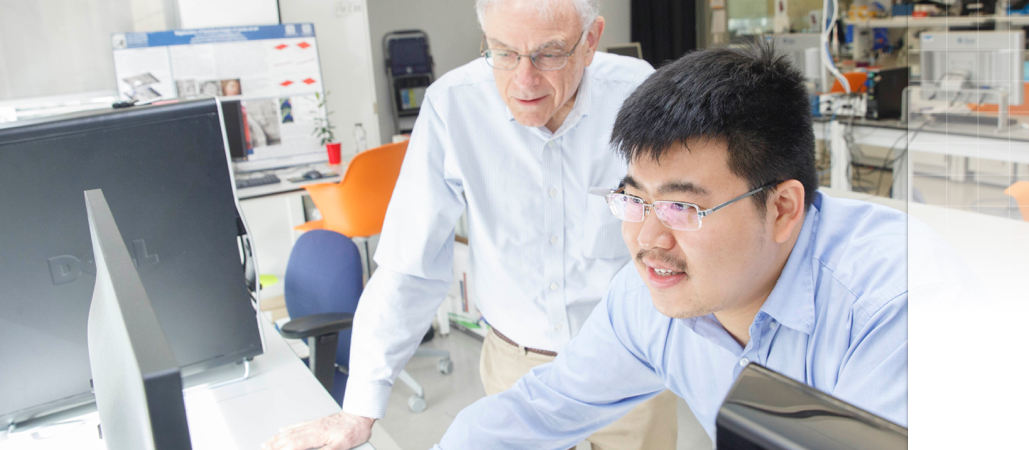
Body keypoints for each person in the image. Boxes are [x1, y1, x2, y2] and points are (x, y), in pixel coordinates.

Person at [431, 42, 925, 449]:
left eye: (681, 208)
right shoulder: (649, 294)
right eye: (634, 199)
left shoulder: (893, 312)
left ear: (782, 210)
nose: (648, 241)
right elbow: (544, 408)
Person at [263, 1, 677, 449]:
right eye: (503, 52)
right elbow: (410, 263)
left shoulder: (639, 92)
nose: (524, 79)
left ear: (591, 40)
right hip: (517, 366)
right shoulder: (453, 105)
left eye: (549, 54)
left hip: (630, 364)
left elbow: (684, 227)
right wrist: (359, 408)